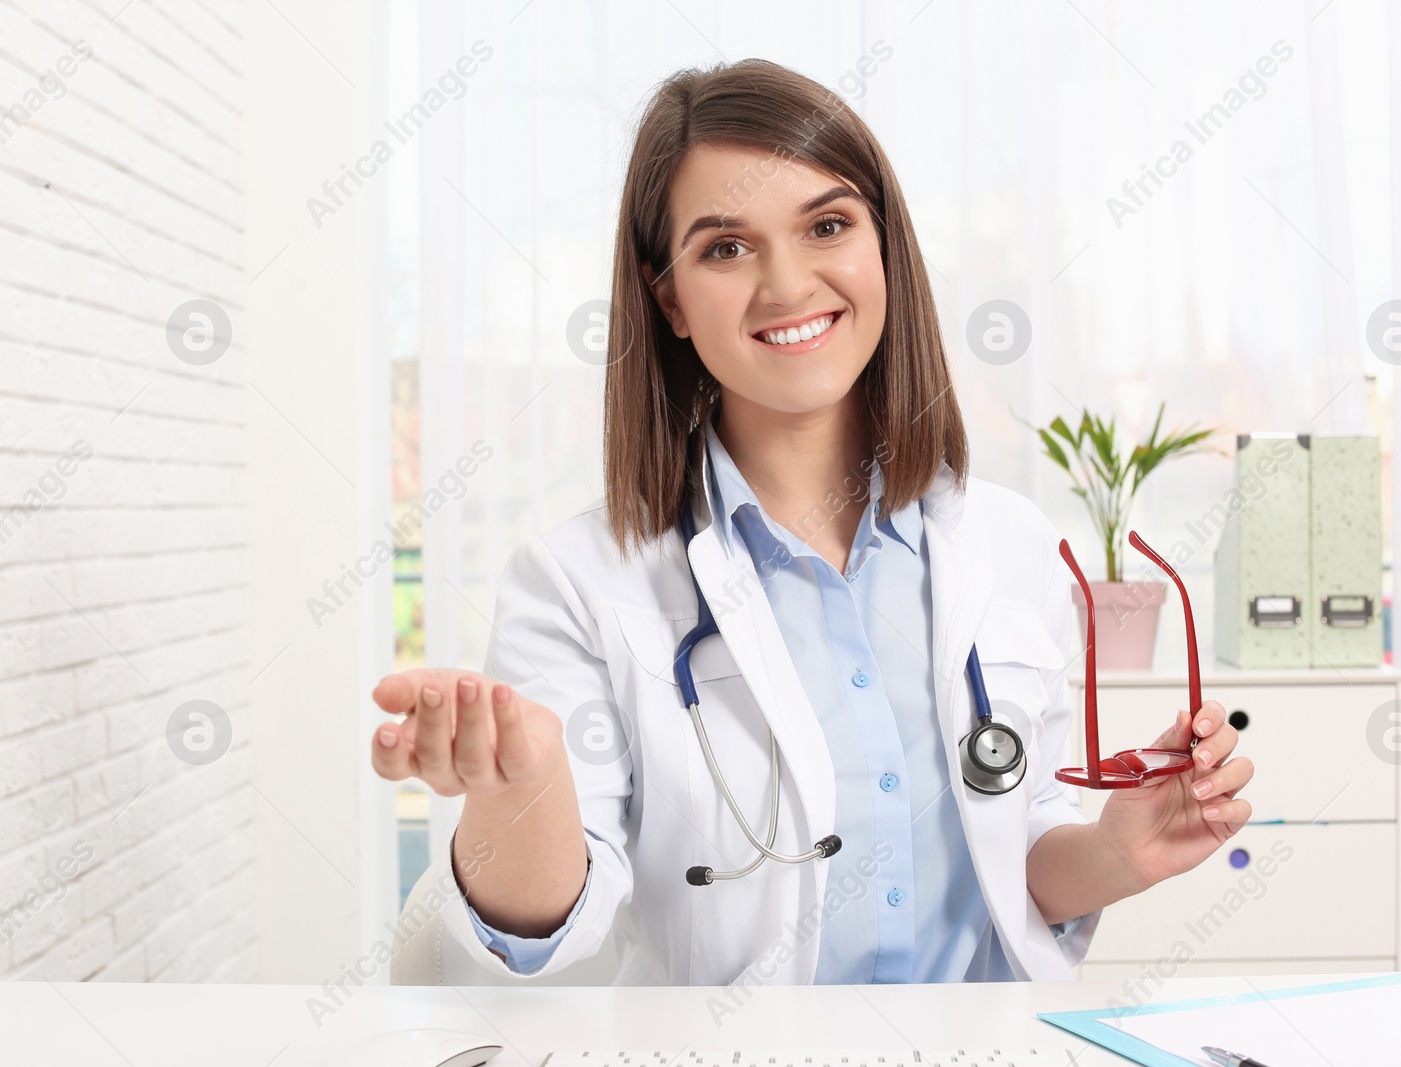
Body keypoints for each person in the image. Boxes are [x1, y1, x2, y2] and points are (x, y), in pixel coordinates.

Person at [369, 58, 1252, 987]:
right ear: (667, 296)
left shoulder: (1010, 543)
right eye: (724, 247)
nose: (787, 284)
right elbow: (547, 932)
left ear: (883, 248)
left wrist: (1117, 852)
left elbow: (1018, 850)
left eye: (827, 225)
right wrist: (523, 784)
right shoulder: (580, 580)